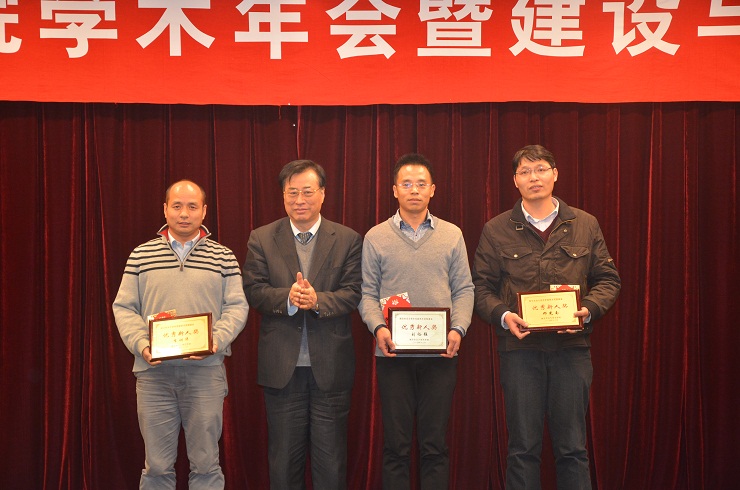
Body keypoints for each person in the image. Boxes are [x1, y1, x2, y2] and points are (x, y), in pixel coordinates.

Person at [472, 145, 621, 490]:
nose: (533, 177)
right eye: (525, 172)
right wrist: (504, 315)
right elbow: (480, 287)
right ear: (515, 181)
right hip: (520, 352)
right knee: (522, 448)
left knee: (573, 448)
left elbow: (608, 280)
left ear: (555, 174)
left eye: (540, 169)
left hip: (572, 350)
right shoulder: (496, 229)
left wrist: (589, 309)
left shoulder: (584, 224)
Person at [112, 180, 249, 489]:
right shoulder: (140, 255)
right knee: (157, 466)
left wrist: (215, 341)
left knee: (206, 464)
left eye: (191, 206)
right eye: (177, 206)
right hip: (154, 377)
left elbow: (237, 307)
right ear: (165, 210)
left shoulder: (224, 257)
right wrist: (142, 345)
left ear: (204, 211)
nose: (184, 213)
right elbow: (124, 308)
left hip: (205, 375)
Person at [242, 159, 362, 490]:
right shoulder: (262, 238)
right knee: (283, 463)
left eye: (307, 192)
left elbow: (353, 292)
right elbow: (253, 290)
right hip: (283, 368)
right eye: (292, 192)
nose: (300, 200)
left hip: (331, 369)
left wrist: (317, 300)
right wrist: (289, 298)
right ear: (283, 196)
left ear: (322, 194)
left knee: (331, 463)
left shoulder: (348, 239)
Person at [359, 153, 475, 490]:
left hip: (440, 354)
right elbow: (367, 293)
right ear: (394, 190)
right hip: (393, 353)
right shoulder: (375, 237)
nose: (414, 190)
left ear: (433, 190)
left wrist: (458, 329)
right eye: (406, 184)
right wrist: (378, 328)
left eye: (421, 184)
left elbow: (464, 289)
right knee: (396, 446)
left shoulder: (452, 234)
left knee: (434, 444)